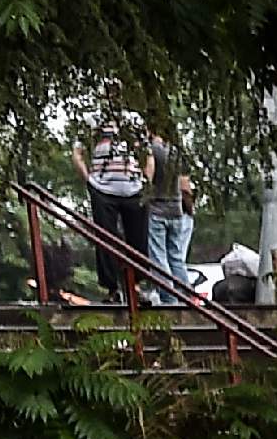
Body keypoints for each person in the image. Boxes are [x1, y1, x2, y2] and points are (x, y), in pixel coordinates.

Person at [71, 103, 151, 299]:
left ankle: (136, 285)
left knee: (138, 239)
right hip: (103, 188)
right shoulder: (93, 120)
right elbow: (77, 152)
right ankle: (112, 288)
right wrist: (89, 179)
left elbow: (148, 154)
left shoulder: (133, 120)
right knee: (105, 238)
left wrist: (146, 181)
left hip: (133, 188)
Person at [142, 120, 197, 295]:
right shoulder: (176, 152)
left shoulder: (151, 150)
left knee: (159, 259)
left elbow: (147, 177)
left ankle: (169, 299)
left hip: (157, 208)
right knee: (176, 257)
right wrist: (190, 208)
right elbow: (184, 184)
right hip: (176, 211)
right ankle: (186, 296)